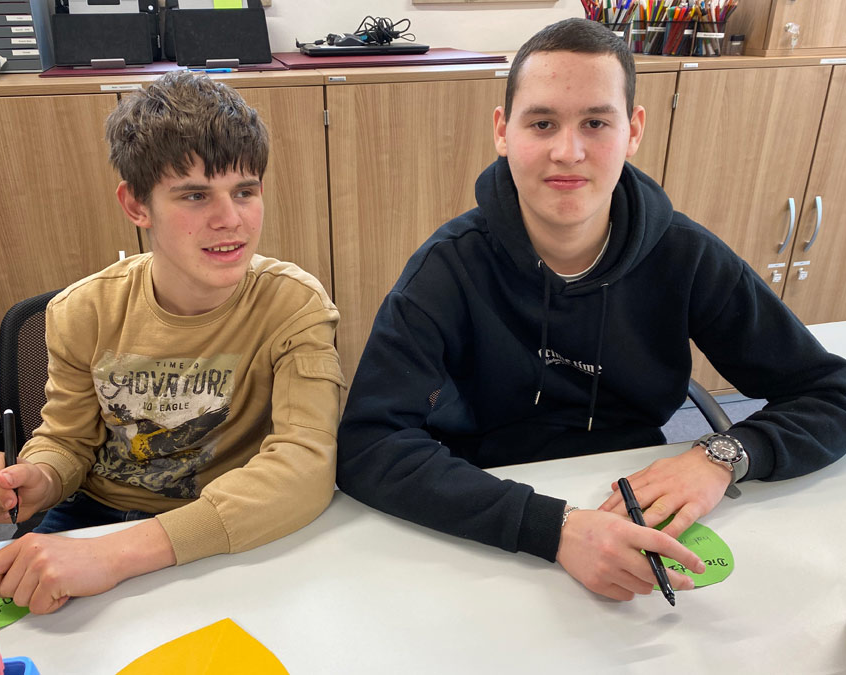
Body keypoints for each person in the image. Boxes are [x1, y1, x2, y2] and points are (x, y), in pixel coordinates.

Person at [336, 18, 846, 602]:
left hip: (632, 497)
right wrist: (552, 530)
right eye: (543, 122)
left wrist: (721, 457)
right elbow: (370, 444)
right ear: (504, 131)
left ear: (633, 131)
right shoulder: (448, 268)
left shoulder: (686, 255)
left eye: (596, 123)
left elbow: (830, 393)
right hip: (486, 510)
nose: (568, 151)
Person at [0, 71, 345, 614]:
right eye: (193, 195)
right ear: (137, 205)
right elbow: (66, 442)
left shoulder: (293, 305)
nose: (230, 220)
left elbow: (304, 467)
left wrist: (118, 556)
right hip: (95, 517)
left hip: (219, 520)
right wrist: (33, 480)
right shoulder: (81, 311)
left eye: (245, 191)